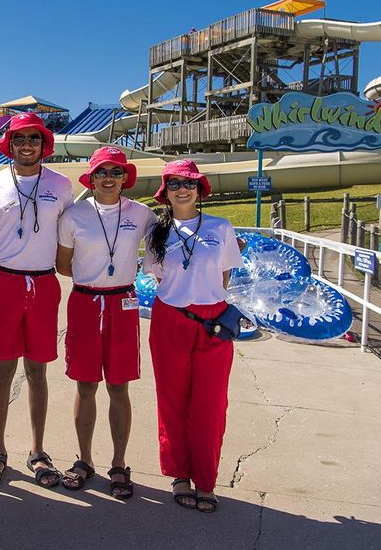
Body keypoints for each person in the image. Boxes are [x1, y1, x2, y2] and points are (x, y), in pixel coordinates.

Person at [0, 112, 74, 489]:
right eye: (19, 138)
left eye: (33, 137)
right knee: (2, 371)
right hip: (4, 283)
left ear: (43, 143)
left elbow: (74, 232)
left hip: (44, 284)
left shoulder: (61, 186)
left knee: (37, 371)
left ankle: (37, 450)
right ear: (9, 144)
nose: (27, 144)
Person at [143, 159, 243, 513]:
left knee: (211, 405)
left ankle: (206, 479)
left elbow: (226, 272)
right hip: (171, 318)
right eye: (174, 184)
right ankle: (179, 474)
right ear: (166, 192)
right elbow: (158, 277)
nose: (182, 189)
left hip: (213, 321)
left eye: (189, 183)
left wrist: (206, 297)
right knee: (172, 401)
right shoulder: (157, 231)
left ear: (199, 190)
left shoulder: (221, 227)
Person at [55, 147, 155, 499]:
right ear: (92, 178)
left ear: (125, 178)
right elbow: (63, 264)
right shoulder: (74, 215)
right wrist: (92, 278)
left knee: (119, 387)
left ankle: (118, 463)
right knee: (85, 385)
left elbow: (169, 245)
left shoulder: (142, 214)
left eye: (116, 172)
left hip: (123, 304)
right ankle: (84, 460)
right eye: (102, 172)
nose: (109, 178)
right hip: (84, 302)